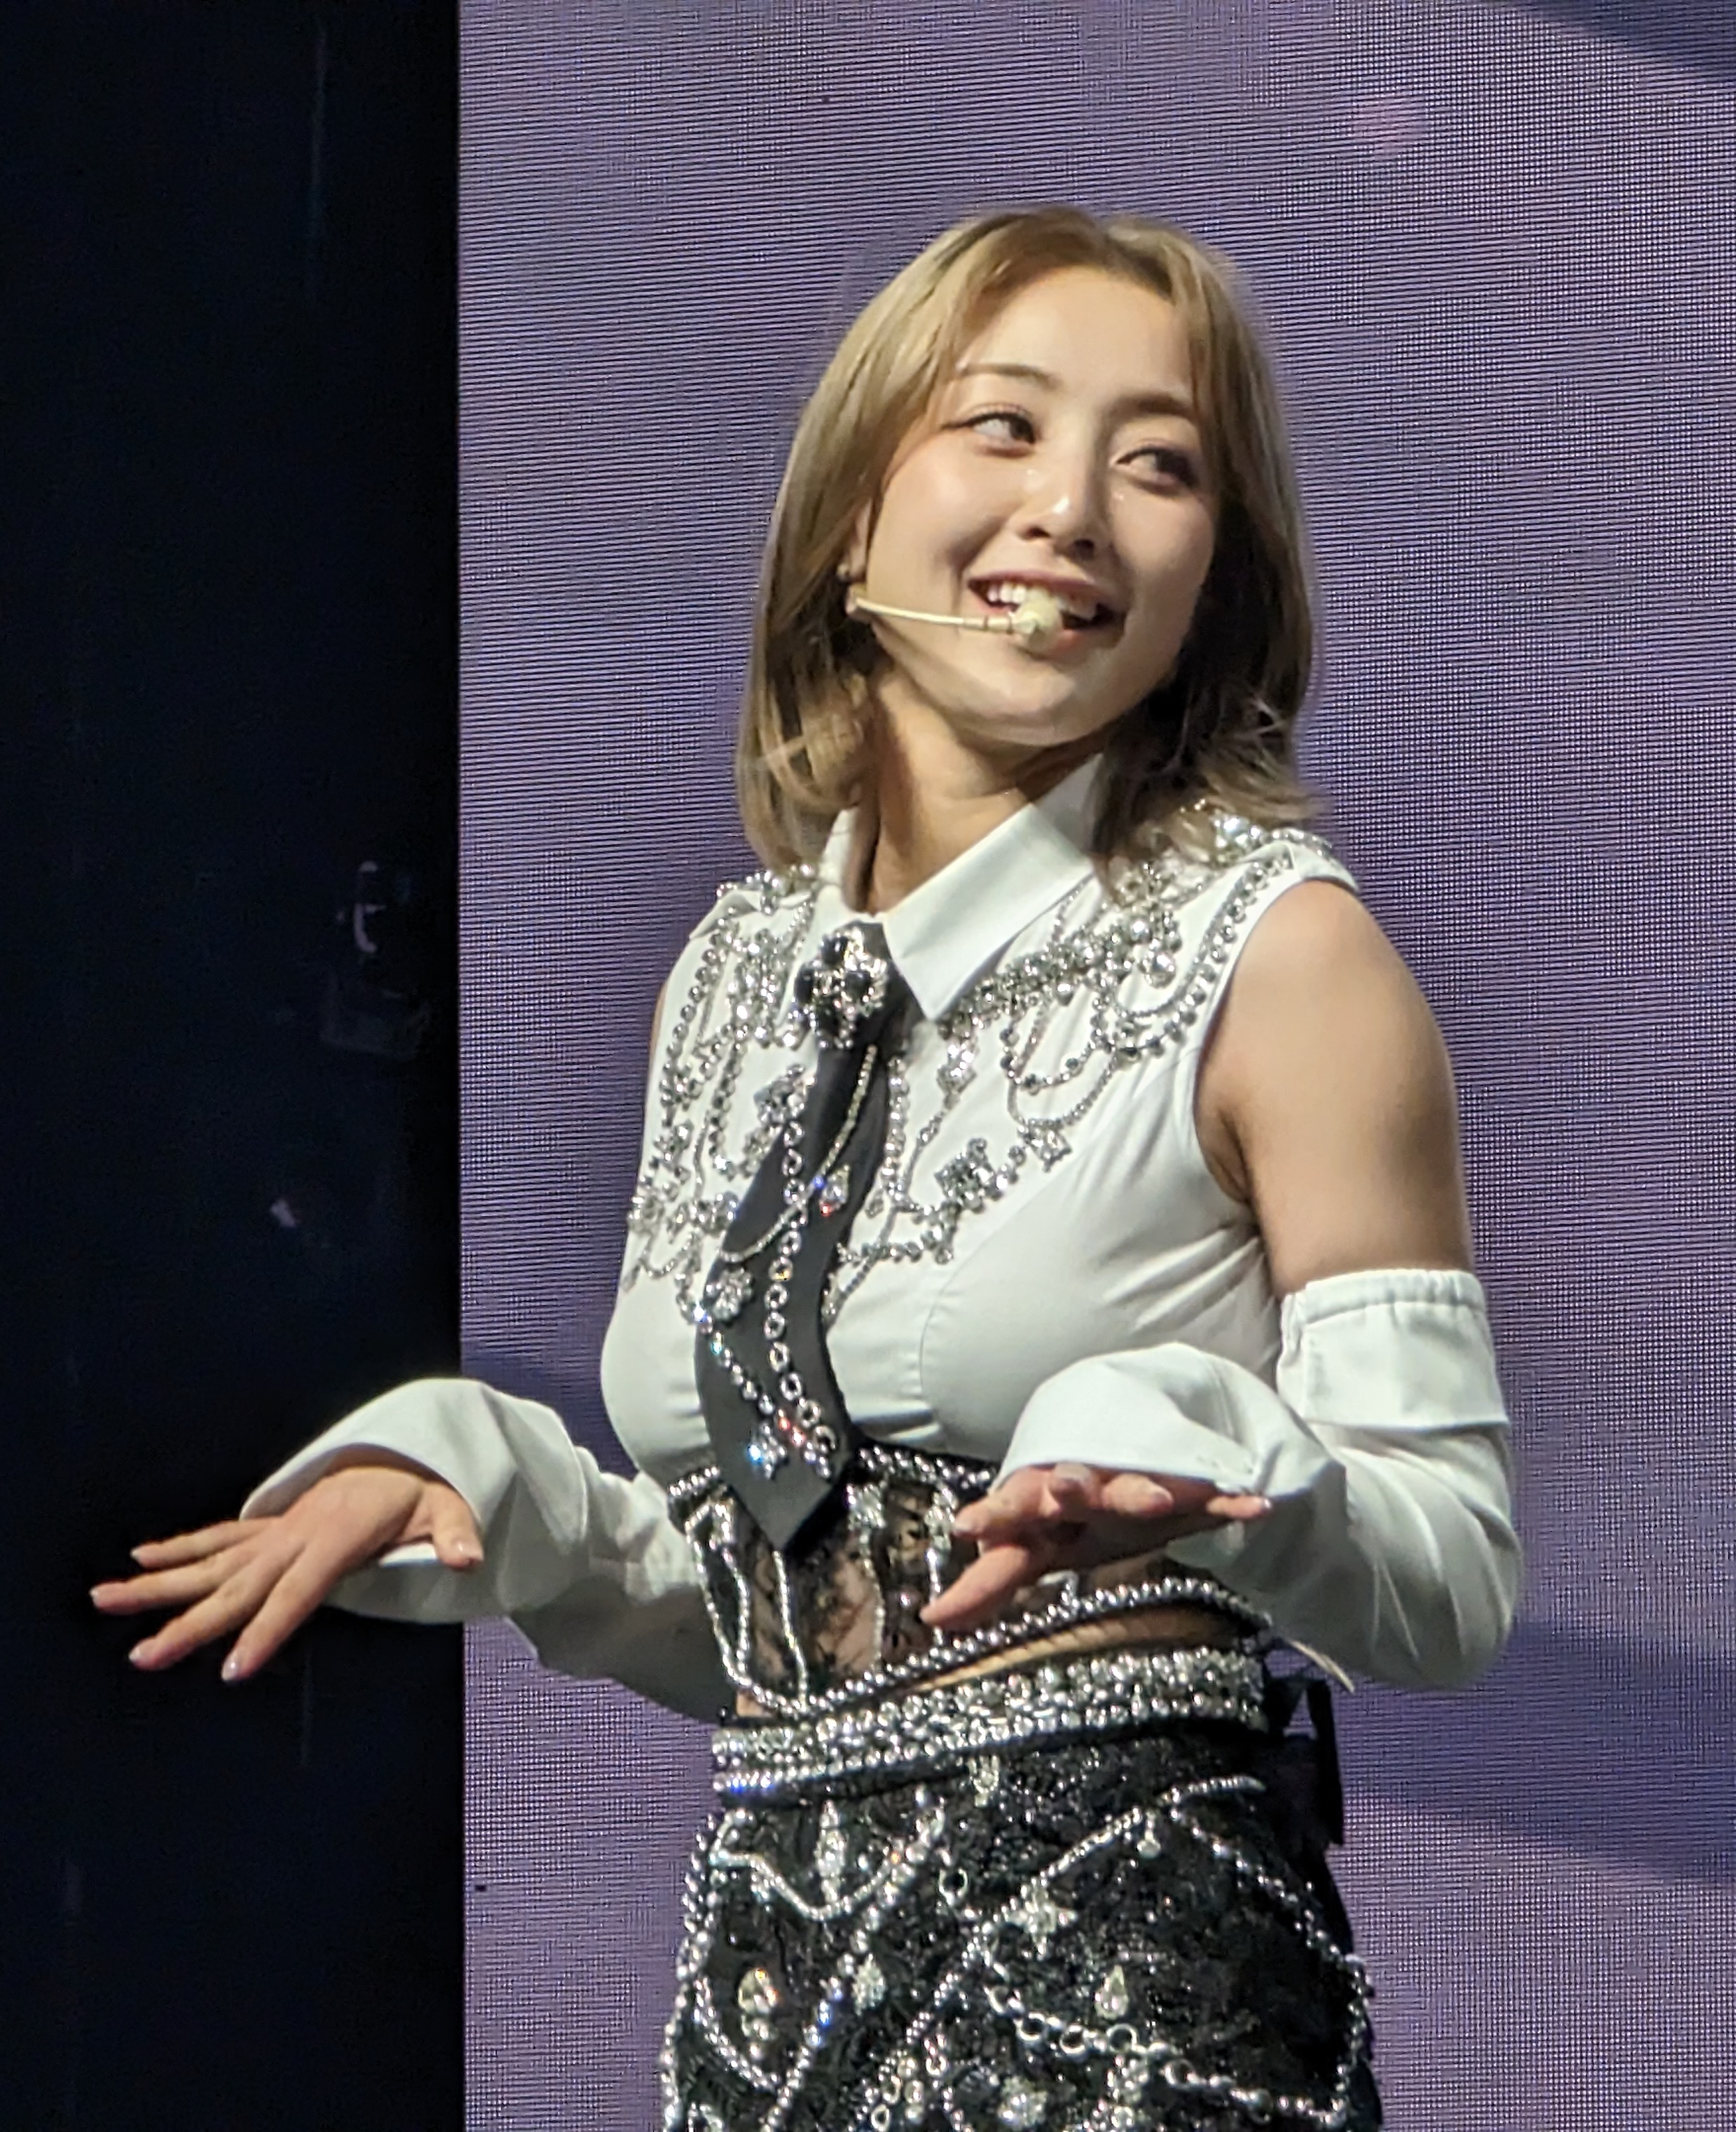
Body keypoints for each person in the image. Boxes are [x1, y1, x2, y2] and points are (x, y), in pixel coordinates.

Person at [92, 205, 1521, 2131]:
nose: (1073, 510)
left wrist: (1220, 1477)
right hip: (773, 2004)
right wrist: (517, 1507)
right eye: (1004, 426)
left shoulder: (1285, 958)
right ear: (852, 524)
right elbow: (789, 1605)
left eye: (1161, 464)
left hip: (1138, 2001)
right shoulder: (738, 975)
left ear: (1215, 578)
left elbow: (1451, 1571)